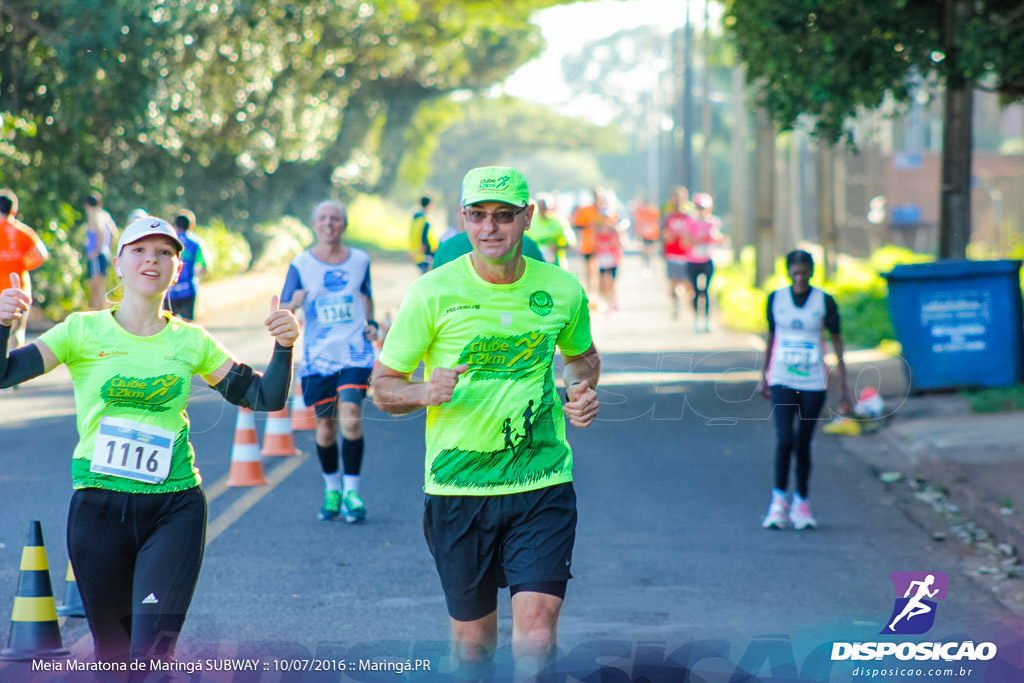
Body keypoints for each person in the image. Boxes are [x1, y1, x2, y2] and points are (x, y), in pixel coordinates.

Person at [0, 216, 298, 672]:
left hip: (173, 509)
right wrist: (3, 325)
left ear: (178, 269)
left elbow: (265, 396)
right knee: (112, 660)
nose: (151, 260)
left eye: (164, 252)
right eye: (139, 250)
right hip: (98, 512)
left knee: (151, 658)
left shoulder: (192, 341)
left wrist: (283, 346)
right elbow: (5, 374)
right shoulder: (81, 331)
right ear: (118, 263)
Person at [372, 166, 601, 676]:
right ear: (463, 219)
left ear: (528, 218)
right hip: (458, 491)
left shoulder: (561, 289)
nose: (490, 228)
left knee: (537, 638)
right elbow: (383, 387)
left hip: (542, 483)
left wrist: (580, 388)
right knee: (473, 650)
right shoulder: (431, 293)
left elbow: (583, 357)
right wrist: (424, 392)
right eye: (478, 216)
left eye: (503, 216)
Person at [281, 200, 378, 522]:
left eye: (335, 218)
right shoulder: (301, 263)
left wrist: (372, 322)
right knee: (325, 428)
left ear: (344, 224)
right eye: (323, 218)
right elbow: (284, 306)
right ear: (313, 224)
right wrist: (292, 304)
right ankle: (332, 490)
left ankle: (353, 491)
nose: (329, 223)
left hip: (354, 351)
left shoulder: (361, 260)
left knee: (350, 418)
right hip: (318, 357)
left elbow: (365, 294)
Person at [757, 249, 851, 530]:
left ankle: (802, 503)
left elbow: (837, 343)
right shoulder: (776, 299)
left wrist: (845, 386)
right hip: (782, 378)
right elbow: (771, 337)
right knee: (784, 439)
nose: (799, 277)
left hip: (813, 381)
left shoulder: (825, 301)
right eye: (794, 272)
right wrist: (763, 375)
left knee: (803, 443)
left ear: (811, 271)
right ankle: (778, 502)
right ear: (788, 272)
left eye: (804, 272)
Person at [0, 190, 48, 349]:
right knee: (17, 331)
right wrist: (23, 265)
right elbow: (42, 255)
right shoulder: (24, 231)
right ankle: (14, 370)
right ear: (13, 210)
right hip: (19, 288)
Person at [681, 192, 724, 333]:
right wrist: (698, 239)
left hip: (707, 260)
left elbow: (718, 238)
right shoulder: (690, 222)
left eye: (704, 207)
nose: (701, 210)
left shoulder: (713, 222)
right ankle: (696, 319)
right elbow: (684, 243)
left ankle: (706, 320)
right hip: (692, 261)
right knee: (694, 291)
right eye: (699, 207)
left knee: (706, 291)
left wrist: (715, 238)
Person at [164, 209, 209, 321]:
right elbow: (204, 267)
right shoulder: (197, 243)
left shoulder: (168, 241)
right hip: (189, 290)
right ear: (191, 226)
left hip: (169, 292)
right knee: (187, 325)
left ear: (174, 225)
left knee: (168, 326)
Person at [660, 187, 693, 320]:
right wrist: (667, 237)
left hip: (687, 255)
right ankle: (676, 307)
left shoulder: (689, 216)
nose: (677, 200)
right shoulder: (667, 217)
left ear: (684, 199)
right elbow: (663, 233)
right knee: (673, 284)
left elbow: (693, 233)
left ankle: (690, 306)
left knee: (687, 284)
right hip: (672, 254)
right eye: (674, 197)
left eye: (679, 197)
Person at [84, 191, 118, 310]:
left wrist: (97, 250)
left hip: (97, 255)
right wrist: (106, 247)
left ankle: (97, 312)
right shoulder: (105, 215)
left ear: (86, 205)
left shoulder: (93, 215)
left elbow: (100, 230)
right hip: (105, 254)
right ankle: (101, 310)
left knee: (95, 285)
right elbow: (114, 233)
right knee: (101, 285)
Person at [570, 189, 604, 297]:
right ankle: (591, 293)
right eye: (595, 196)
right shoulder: (586, 210)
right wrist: (588, 225)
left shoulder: (605, 210)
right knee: (590, 270)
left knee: (602, 272)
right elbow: (577, 225)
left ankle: (602, 294)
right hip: (588, 245)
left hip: (603, 246)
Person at [530, 195, 575, 267]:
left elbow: (571, 244)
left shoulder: (559, 222)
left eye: (544, 207)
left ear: (550, 207)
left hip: (557, 266)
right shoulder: (531, 224)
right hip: (538, 266)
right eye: (540, 207)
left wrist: (557, 247)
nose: (542, 210)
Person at [593, 214, 623, 312]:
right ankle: (603, 301)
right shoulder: (597, 231)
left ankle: (612, 301)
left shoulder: (614, 230)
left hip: (612, 258)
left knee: (612, 281)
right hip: (602, 258)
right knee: (602, 281)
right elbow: (594, 244)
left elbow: (618, 244)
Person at [630, 196, 660, 276]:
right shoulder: (641, 210)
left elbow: (656, 222)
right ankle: (646, 265)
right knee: (645, 249)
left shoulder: (653, 211)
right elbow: (637, 220)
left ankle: (650, 265)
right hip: (644, 233)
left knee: (650, 250)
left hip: (651, 234)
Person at [410, 196, 434, 274]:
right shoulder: (425, 220)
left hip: (416, 254)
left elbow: (412, 235)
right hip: (425, 255)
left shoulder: (415, 219)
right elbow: (425, 238)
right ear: (429, 205)